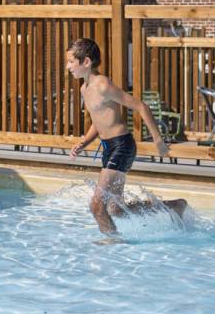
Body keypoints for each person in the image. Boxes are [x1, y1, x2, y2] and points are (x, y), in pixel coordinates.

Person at [66, 37, 187, 233]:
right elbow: (98, 121)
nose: (68, 66)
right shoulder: (84, 89)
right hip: (109, 148)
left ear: (86, 62)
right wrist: (84, 142)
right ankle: (173, 206)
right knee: (116, 209)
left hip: (122, 145)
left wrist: (158, 141)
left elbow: (141, 106)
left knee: (96, 206)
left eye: (71, 61)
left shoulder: (103, 85)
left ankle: (112, 242)